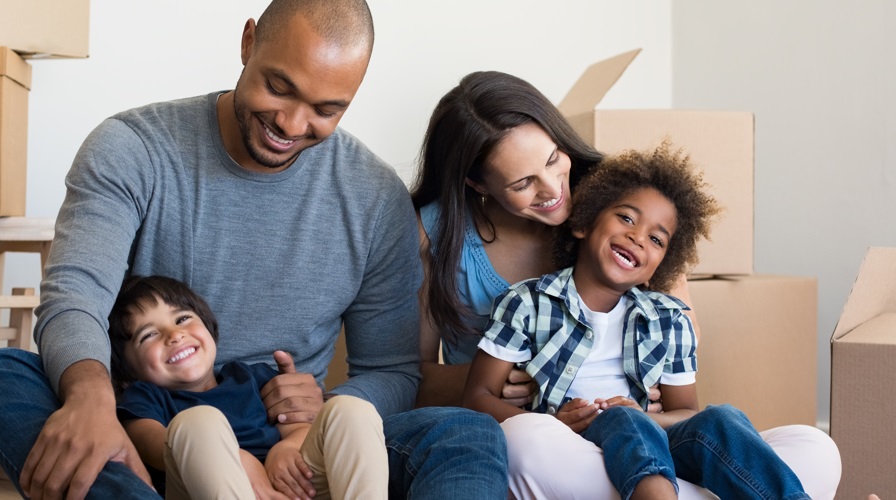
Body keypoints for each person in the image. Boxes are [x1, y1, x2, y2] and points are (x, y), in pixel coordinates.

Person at [0, 1, 507, 499]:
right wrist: (92, 400)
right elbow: (75, 295)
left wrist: (316, 414)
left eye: (326, 109)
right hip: (150, 439)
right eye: (280, 87)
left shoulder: (375, 198)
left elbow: (391, 369)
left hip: (295, 455)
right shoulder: (132, 148)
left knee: (464, 433)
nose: (291, 124)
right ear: (248, 43)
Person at [410, 70, 841, 499]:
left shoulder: (621, 202)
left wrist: (654, 406)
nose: (554, 189)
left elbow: (681, 369)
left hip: (645, 437)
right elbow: (414, 377)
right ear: (477, 183)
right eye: (523, 183)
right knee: (528, 439)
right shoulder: (446, 240)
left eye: (554, 158)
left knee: (815, 448)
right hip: (547, 439)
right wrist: (513, 377)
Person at [463, 144, 811, 499]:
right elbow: (477, 396)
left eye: (657, 239)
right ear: (584, 223)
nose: (638, 237)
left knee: (722, 418)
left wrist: (647, 419)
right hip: (571, 447)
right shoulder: (528, 302)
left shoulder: (669, 319)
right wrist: (555, 422)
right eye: (627, 218)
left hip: (652, 445)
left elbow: (685, 412)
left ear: (660, 265)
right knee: (618, 420)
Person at [109, 275, 387, 499]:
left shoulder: (248, 376)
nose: (175, 335)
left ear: (209, 328)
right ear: (127, 372)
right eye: (149, 335)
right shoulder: (143, 397)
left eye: (182, 319)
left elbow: (296, 425)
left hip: (288, 484)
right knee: (196, 423)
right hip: (204, 489)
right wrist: (237, 459)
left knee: (350, 409)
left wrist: (287, 448)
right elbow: (156, 447)